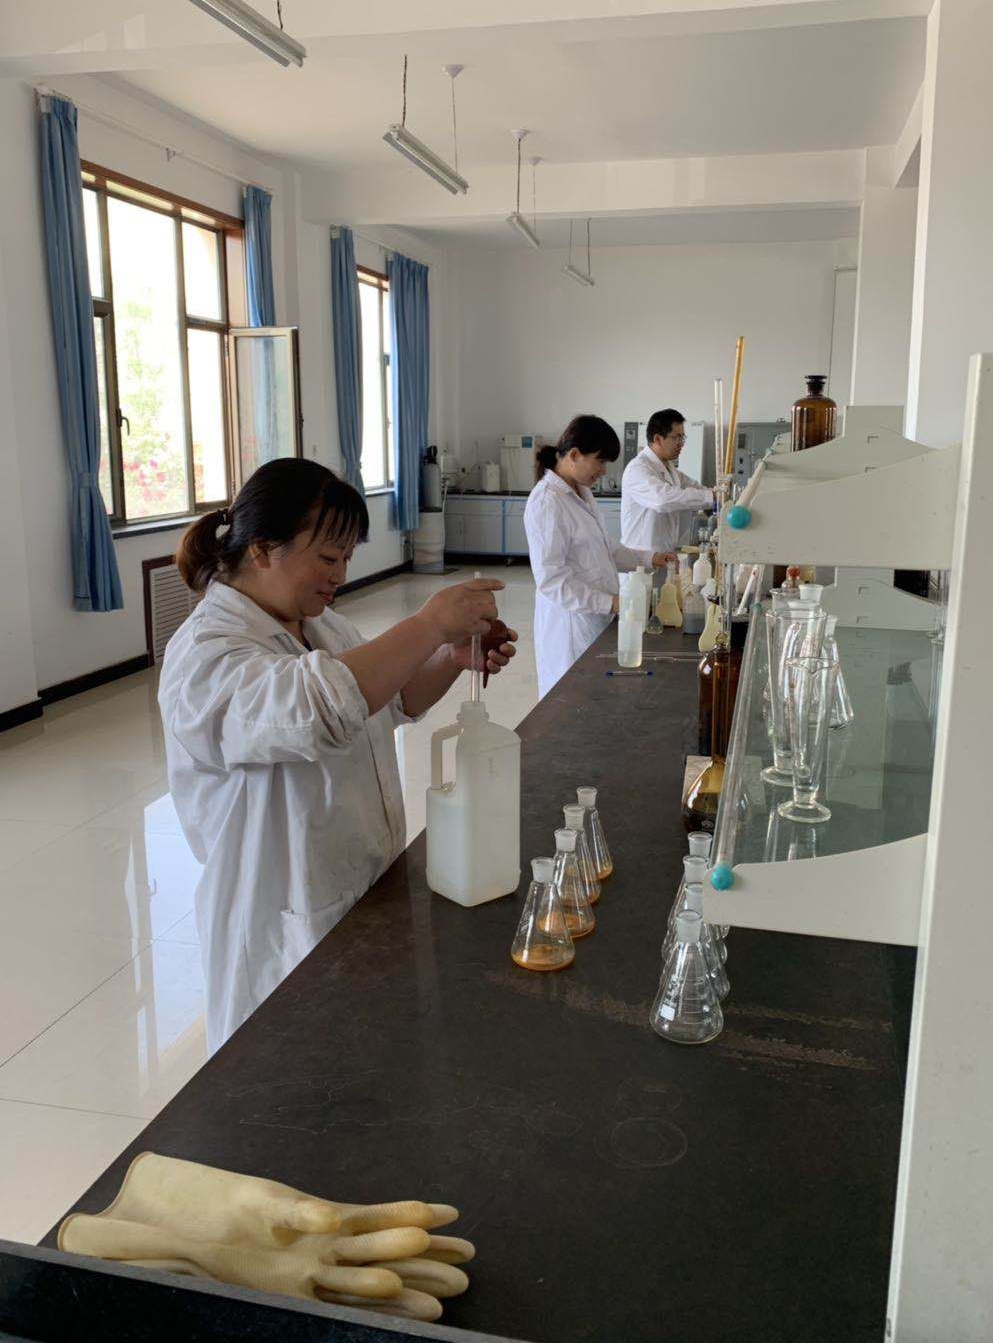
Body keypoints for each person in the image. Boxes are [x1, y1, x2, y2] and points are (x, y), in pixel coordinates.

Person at [159, 458, 516, 1052]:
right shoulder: (206, 654)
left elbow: (392, 699)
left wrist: (450, 658)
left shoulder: (320, 625)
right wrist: (428, 625)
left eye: (348, 556)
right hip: (282, 920)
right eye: (328, 557)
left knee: (366, 1058)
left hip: (360, 886)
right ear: (263, 549)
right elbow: (319, 706)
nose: (341, 575)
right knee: (290, 1071)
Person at [524, 415, 673, 698]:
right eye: (600, 461)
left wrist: (650, 558)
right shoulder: (547, 501)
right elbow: (552, 580)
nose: (604, 471)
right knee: (569, 699)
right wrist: (611, 603)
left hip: (596, 616)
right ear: (574, 455)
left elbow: (607, 548)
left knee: (593, 693)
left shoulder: (581, 492)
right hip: (571, 625)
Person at [620, 409, 714, 555]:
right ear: (657, 439)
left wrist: (717, 494)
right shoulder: (637, 469)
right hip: (641, 559)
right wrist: (710, 497)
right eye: (676, 438)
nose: (681, 444)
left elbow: (695, 487)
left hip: (664, 557)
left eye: (682, 438)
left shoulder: (669, 468)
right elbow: (662, 499)